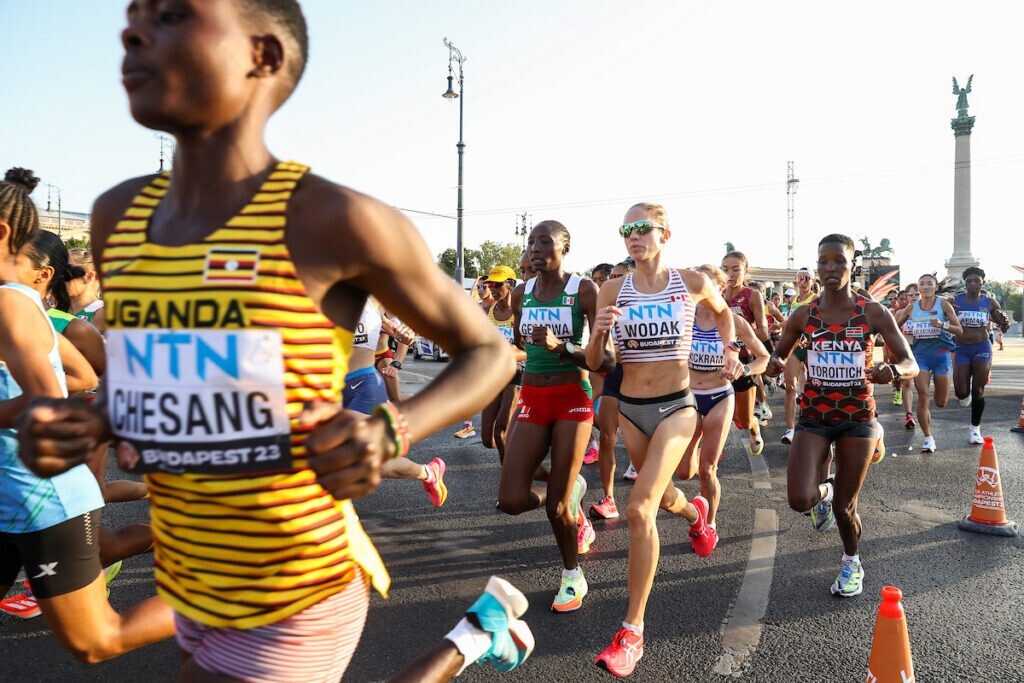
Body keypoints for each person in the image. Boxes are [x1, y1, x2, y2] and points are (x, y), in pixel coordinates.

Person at [16, 3, 518, 679]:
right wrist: (91, 419)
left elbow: (489, 351)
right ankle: (478, 634)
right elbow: (151, 375)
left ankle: (468, 639)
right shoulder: (118, 215)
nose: (132, 31)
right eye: (133, 15)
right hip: (189, 577)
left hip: (294, 588)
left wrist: (388, 431)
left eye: (172, 14)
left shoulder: (333, 219)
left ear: (264, 56)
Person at [0, 167, 174, 655]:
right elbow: (76, 376)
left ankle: (241, 594)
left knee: (96, 641)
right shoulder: (23, 304)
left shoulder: (10, 304)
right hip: (10, 495)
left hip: (41, 499)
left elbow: (47, 399)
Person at [587, 204, 739, 677]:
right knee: (666, 496)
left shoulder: (691, 282)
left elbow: (724, 316)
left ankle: (632, 632)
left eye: (641, 229)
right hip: (630, 410)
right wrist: (598, 334)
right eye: (625, 230)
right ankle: (697, 516)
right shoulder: (612, 288)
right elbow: (595, 361)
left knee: (639, 509)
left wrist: (731, 350)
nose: (632, 236)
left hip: (677, 407)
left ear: (664, 234)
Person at [767, 234, 918, 599]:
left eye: (839, 261)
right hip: (814, 417)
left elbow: (910, 362)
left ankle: (852, 561)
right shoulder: (803, 314)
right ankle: (829, 486)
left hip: (858, 419)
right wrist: (772, 365)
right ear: (817, 267)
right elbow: (778, 355)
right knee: (800, 500)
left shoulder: (873, 313)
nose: (831, 268)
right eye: (824, 262)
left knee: (844, 508)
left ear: (853, 266)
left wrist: (894, 371)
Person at [498, 220, 606, 613]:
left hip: (572, 398)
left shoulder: (584, 290)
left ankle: (572, 576)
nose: (535, 249)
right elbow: (520, 343)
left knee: (555, 509)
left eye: (546, 242)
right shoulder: (521, 294)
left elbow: (604, 360)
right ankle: (569, 491)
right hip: (532, 396)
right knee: (511, 499)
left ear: (565, 248)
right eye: (531, 242)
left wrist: (563, 346)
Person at [678, 264, 768, 533]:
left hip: (719, 396)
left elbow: (763, 357)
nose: (700, 289)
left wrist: (745, 369)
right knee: (684, 472)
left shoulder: (733, 321)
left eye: (706, 283)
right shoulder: (684, 316)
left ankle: (708, 526)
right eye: (696, 284)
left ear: (720, 287)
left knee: (708, 470)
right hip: (689, 397)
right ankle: (698, 452)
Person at [348, 299, 448, 506]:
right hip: (326, 387)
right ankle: (429, 471)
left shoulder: (374, 297)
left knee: (365, 459)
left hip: (364, 385)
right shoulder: (315, 291)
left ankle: (427, 471)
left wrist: (403, 343)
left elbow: (404, 329)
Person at [894, 274, 962, 453]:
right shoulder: (912, 307)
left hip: (941, 356)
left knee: (941, 402)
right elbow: (894, 328)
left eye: (929, 284)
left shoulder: (943, 304)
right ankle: (928, 438)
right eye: (922, 284)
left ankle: (929, 431)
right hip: (920, 357)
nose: (925, 287)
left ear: (935, 287)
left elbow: (959, 330)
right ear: (918, 287)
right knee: (923, 396)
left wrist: (942, 325)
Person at [589, 259, 636, 520]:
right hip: (615, 376)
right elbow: (596, 353)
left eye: (618, 277)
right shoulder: (606, 307)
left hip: (643, 381)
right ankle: (609, 499)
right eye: (611, 277)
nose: (611, 281)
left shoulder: (646, 304)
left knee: (641, 439)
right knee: (607, 436)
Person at [952, 267, 1010, 444]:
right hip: (961, 348)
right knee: (962, 393)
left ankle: (975, 428)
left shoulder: (990, 302)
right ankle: (964, 395)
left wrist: (1005, 323)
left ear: (982, 282)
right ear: (964, 283)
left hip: (982, 347)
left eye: (976, 280)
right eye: (969, 281)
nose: (972, 284)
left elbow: (1002, 325)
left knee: (978, 389)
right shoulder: (955, 301)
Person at [480, 265, 526, 463]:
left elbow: (528, 350)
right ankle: (523, 450)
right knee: (487, 439)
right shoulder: (486, 312)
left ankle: (510, 472)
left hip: (516, 374)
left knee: (500, 431)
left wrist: (509, 355)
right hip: (493, 375)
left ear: (511, 285)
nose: (493, 289)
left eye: (497, 285)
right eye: (490, 285)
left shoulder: (521, 312)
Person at [722, 252, 772, 426]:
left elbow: (763, 333)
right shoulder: (717, 295)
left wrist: (737, 334)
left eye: (736, 269)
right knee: (726, 415)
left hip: (744, 359)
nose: (730, 274)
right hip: (719, 360)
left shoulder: (752, 295)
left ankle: (755, 424)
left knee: (743, 420)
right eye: (725, 269)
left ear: (746, 271)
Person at [779, 269, 817, 444]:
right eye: (800, 278)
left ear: (813, 281)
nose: (803, 282)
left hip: (811, 347)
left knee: (816, 387)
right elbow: (792, 324)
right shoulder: (794, 300)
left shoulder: (816, 299)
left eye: (806, 278)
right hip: (794, 347)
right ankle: (791, 429)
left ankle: (815, 425)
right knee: (790, 387)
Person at [67, 248, 106, 333]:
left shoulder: (101, 313)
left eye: (68, 273)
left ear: (89, 277)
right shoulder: (57, 307)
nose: (61, 278)